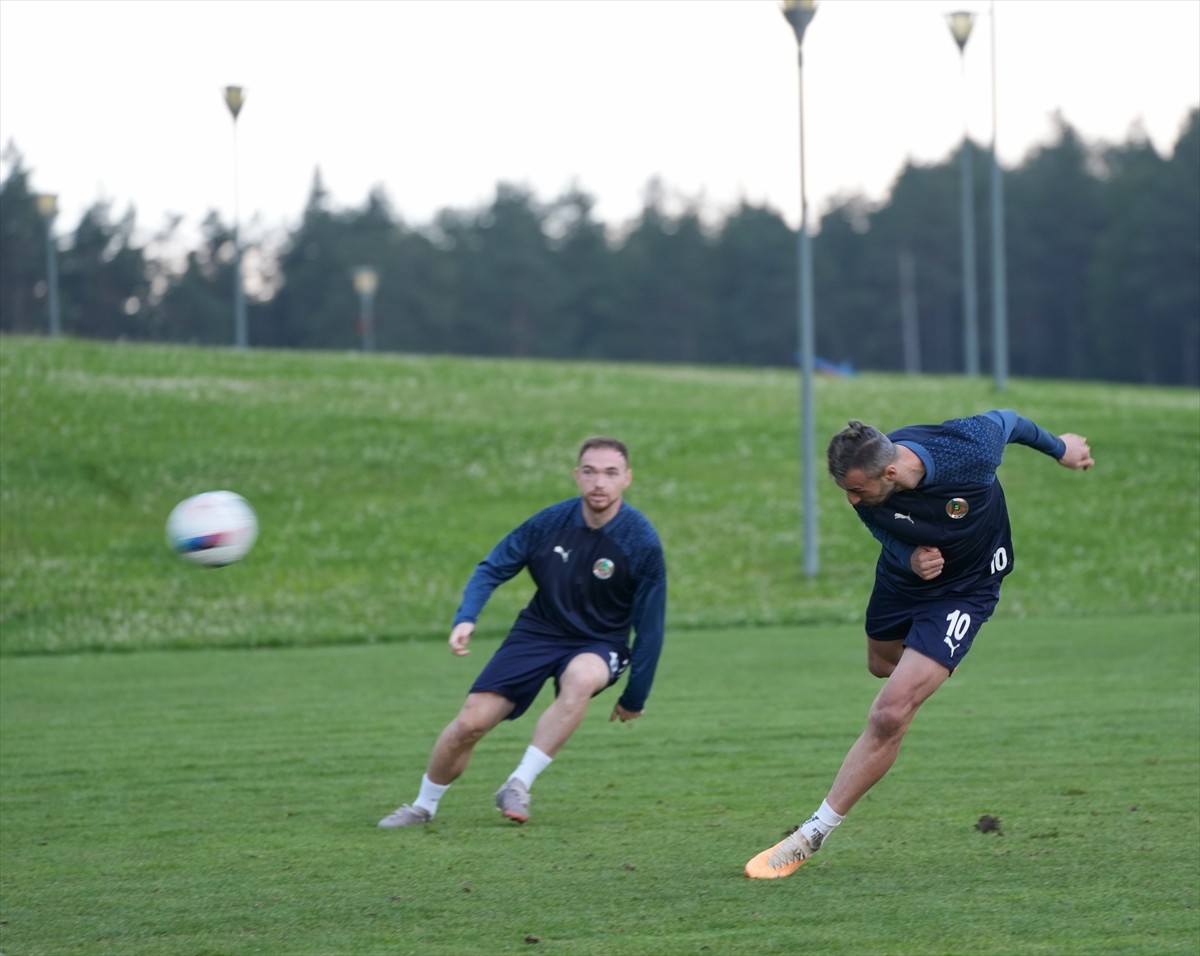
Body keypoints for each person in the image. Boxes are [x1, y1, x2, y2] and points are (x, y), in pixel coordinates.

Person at [745, 410, 1094, 878]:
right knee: (879, 663)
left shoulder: (968, 450)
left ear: (890, 472)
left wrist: (1060, 448)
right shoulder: (865, 485)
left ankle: (810, 835)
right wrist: (907, 555)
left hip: (965, 589)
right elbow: (878, 524)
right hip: (901, 578)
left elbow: (1009, 420)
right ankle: (930, 660)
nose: (850, 499)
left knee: (889, 714)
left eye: (856, 489)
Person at [379, 436, 667, 828]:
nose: (599, 482)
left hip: (600, 642)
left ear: (627, 479)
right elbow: (493, 566)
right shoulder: (549, 523)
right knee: (470, 723)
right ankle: (422, 806)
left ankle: (518, 783)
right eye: (590, 472)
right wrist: (466, 617)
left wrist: (635, 696)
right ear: (577, 475)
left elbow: (650, 627)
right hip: (538, 633)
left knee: (582, 677)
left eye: (610, 473)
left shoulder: (642, 542)